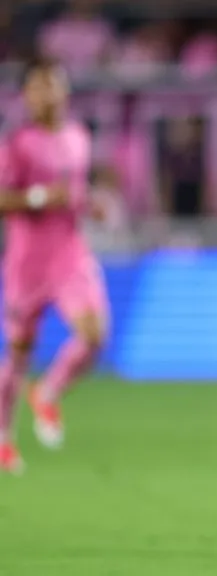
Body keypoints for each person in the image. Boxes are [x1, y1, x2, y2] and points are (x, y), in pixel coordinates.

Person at [0, 56, 109, 473]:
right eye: (39, 86)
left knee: (94, 333)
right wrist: (41, 197)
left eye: (54, 85)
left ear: (64, 90)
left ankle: (47, 392)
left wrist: (89, 204)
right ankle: (5, 437)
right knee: (18, 351)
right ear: (27, 95)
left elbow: (74, 193)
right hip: (26, 262)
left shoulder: (78, 137)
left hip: (69, 254)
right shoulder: (17, 144)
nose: (48, 94)